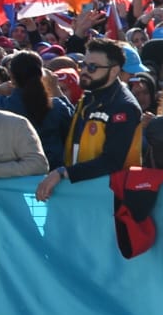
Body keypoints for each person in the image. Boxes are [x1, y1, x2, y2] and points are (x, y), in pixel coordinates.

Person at [35, 37, 143, 202]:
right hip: (82, 194)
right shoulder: (89, 96)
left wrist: (64, 173)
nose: (84, 71)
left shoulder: (123, 106)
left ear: (114, 71)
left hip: (110, 201)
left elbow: (112, 161)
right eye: (82, 65)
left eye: (92, 67)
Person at [0, 49, 72, 169]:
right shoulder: (56, 106)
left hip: (16, 173)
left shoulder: (0, 105)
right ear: (42, 74)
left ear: (11, 76)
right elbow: (76, 126)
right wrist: (56, 89)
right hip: (53, 174)